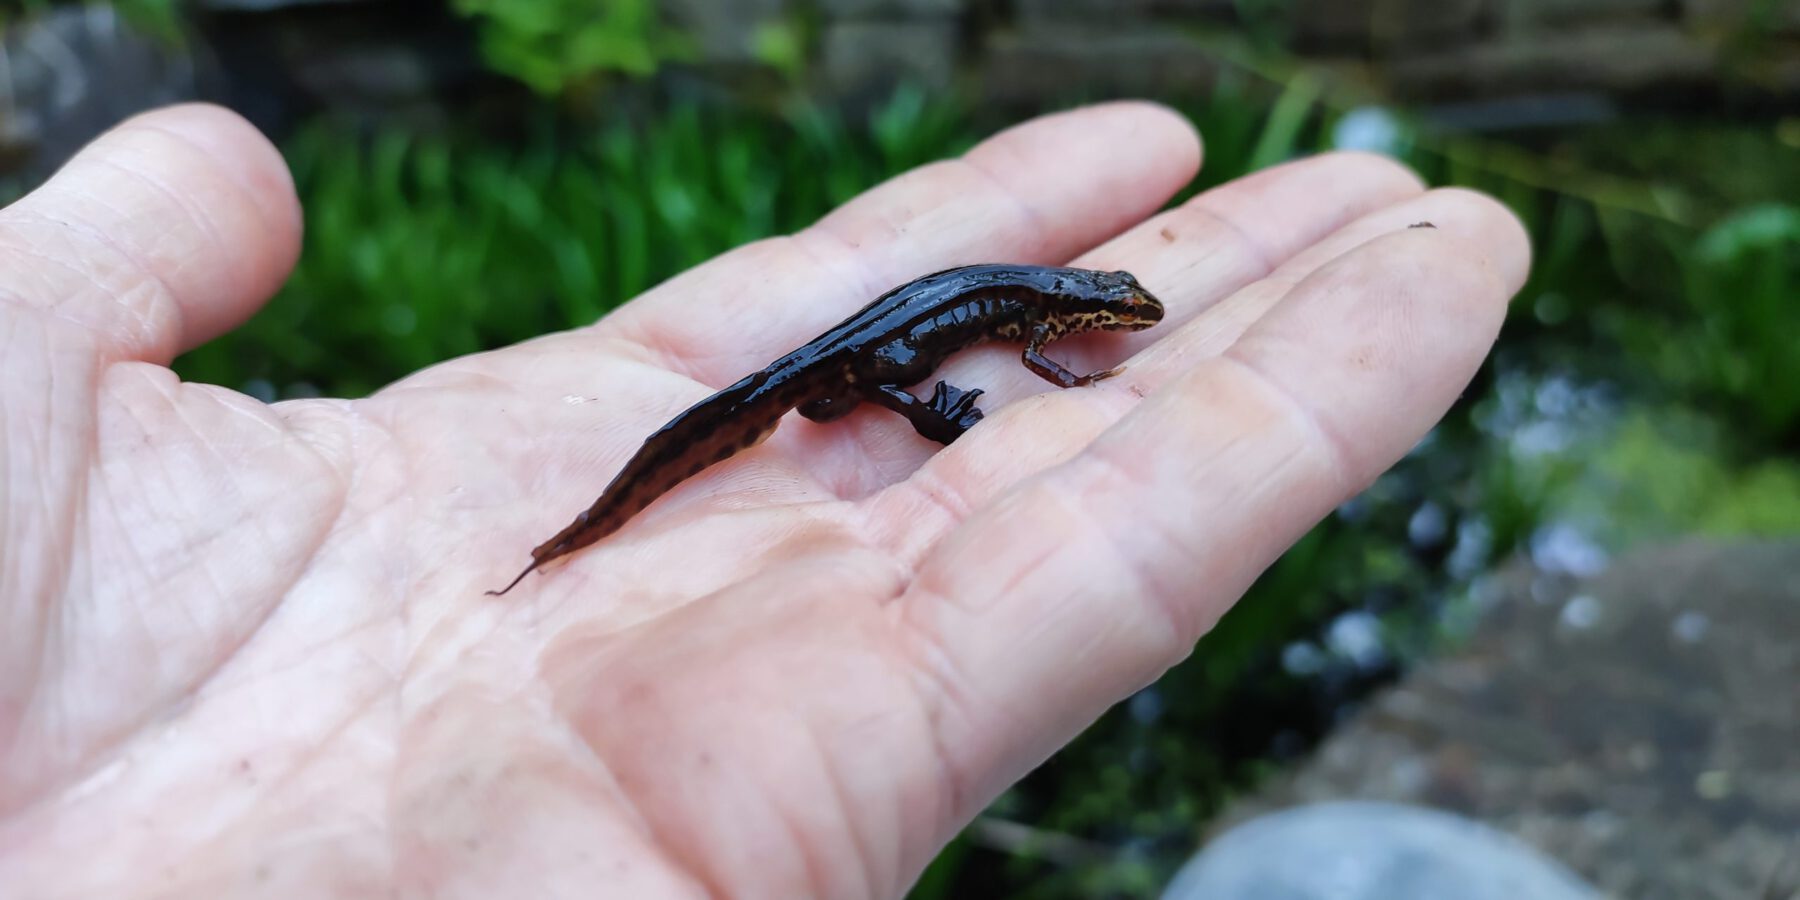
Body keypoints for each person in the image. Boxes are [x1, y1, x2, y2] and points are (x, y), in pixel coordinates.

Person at [0, 101, 1528, 897]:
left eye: (1104, 322)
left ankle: (630, 505)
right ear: (1086, 311)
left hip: (856, 353)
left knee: (889, 362)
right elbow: (962, 340)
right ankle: (588, 526)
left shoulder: (1048, 313)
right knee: (830, 392)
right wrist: (938, 400)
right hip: (832, 373)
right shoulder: (1013, 323)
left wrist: (1023, 362)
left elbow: (1016, 324)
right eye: (1110, 318)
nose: (1116, 326)